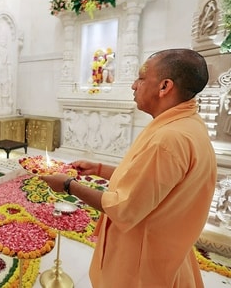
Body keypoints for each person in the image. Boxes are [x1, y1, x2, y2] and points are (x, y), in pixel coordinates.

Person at [41, 49, 217, 287]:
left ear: (165, 86)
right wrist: (100, 169)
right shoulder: (186, 124)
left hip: (141, 261)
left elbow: (124, 208)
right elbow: (151, 182)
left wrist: (68, 185)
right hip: (165, 247)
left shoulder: (169, 139)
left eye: (141, 78)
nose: (134, 85)